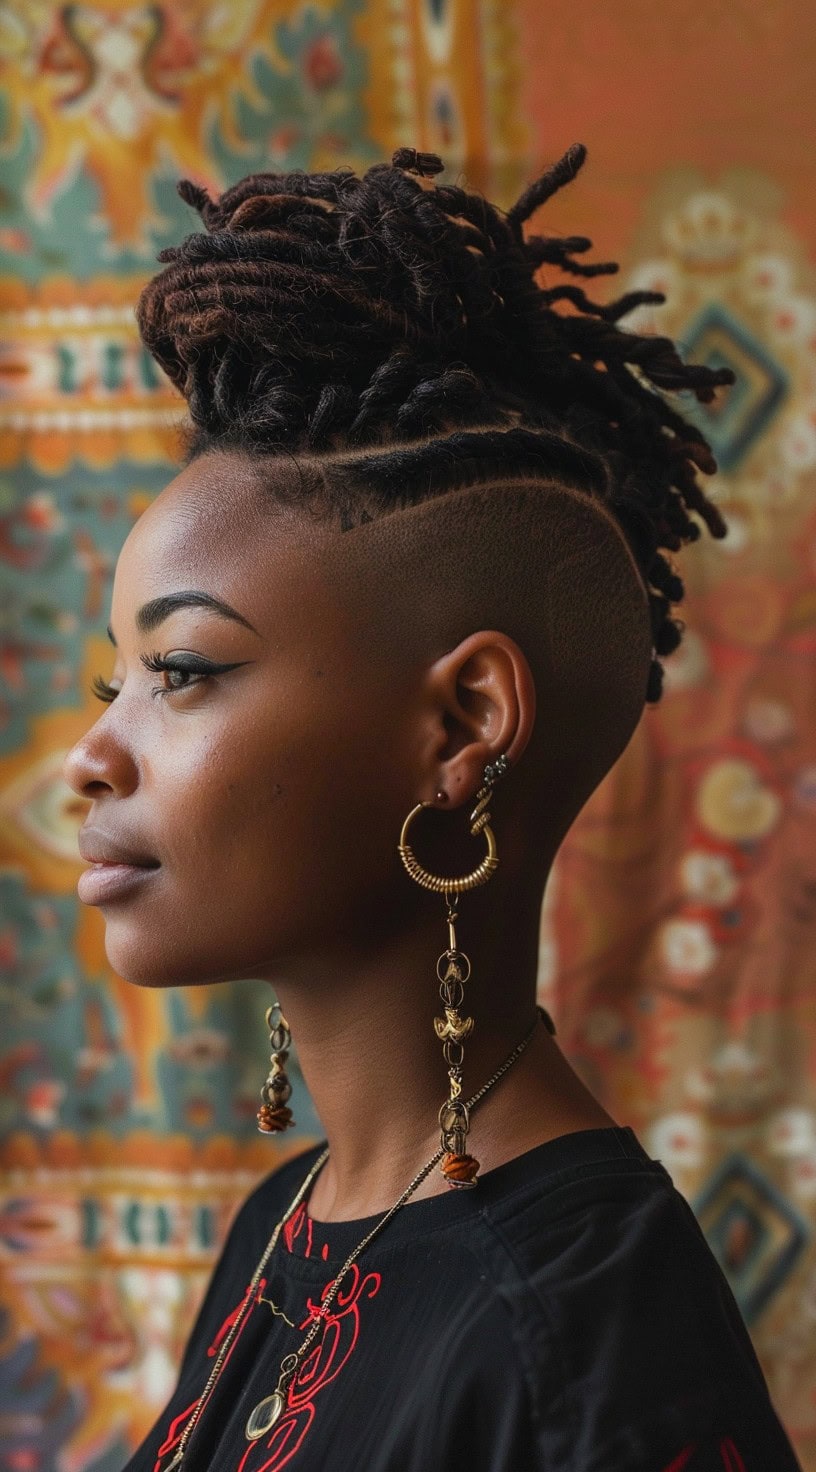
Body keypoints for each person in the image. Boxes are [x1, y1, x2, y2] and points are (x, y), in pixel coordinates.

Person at [63, 144, 803, 1472]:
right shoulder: (292, 1222)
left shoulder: (585, 1341)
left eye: (179, 673)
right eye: (115, 680)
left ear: (462, 727)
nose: (89, 757)